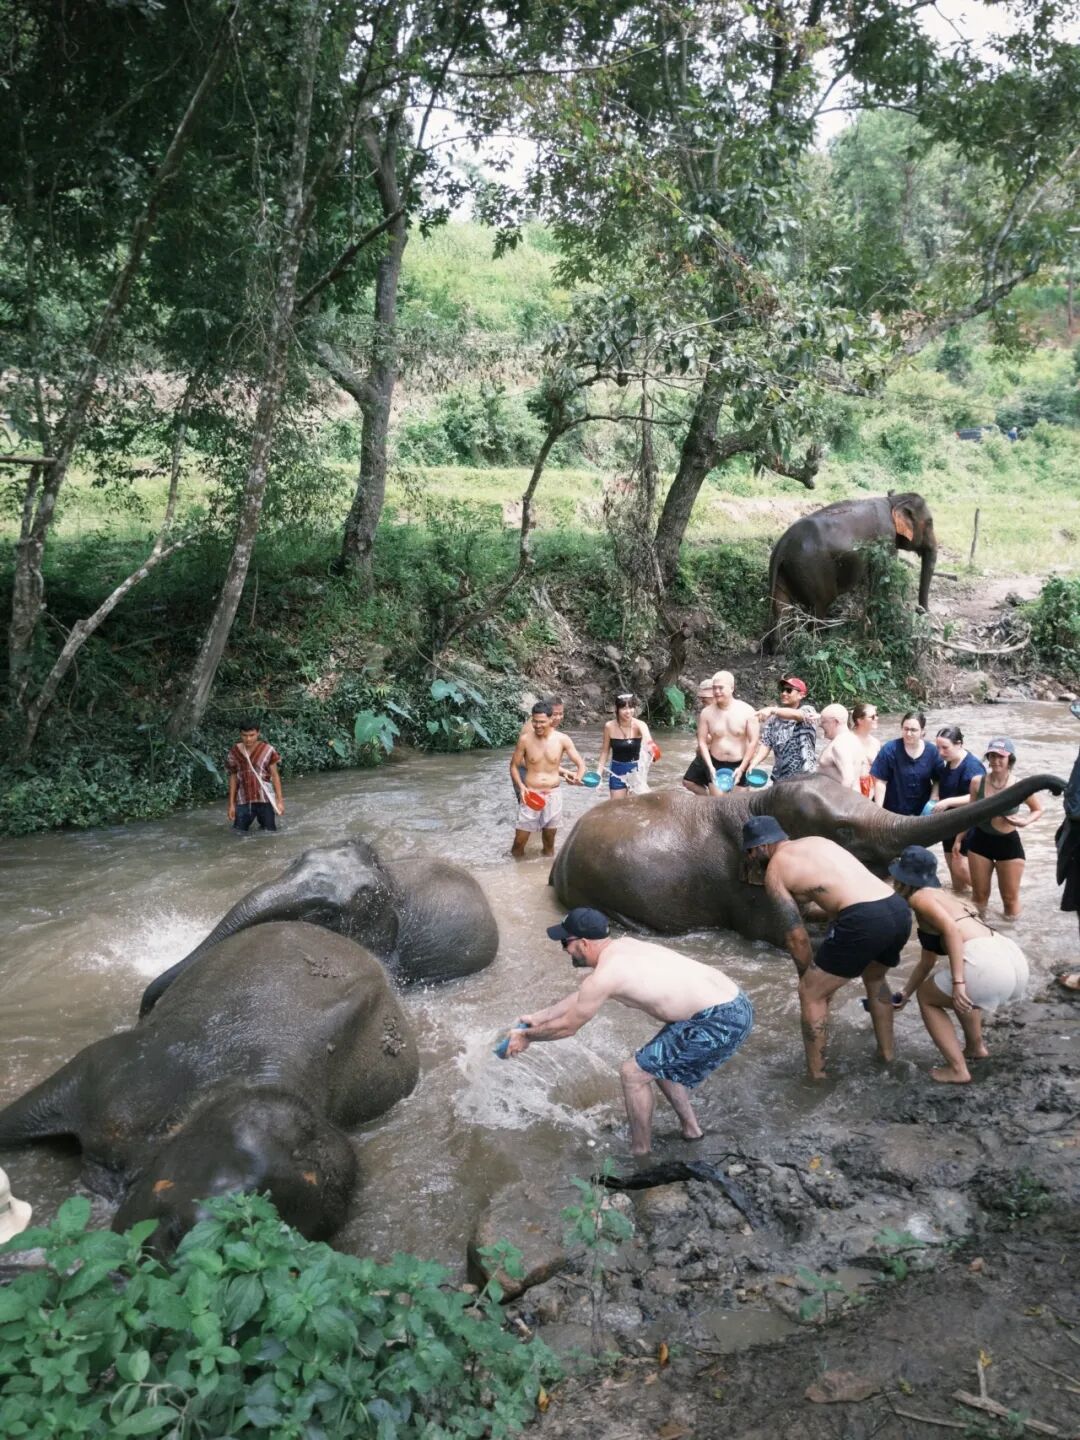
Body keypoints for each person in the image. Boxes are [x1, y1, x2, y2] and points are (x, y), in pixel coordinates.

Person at [504, 908, 753, 1155]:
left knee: (633, 1073)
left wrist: (527, 1037)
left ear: (584, 943)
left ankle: (640, 1151)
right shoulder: (624, 947)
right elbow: (585, 995)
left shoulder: (606, 975)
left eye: (564, 943)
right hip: (734, 1001)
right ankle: (692, 1130)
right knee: (654, 1061)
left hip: (719, 1018)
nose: (564, 950)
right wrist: (539, 1018)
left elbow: (569, 1027)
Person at [742, 816, 912, 1080]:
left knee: (811, 993)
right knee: (876, 978)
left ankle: (816, 1076)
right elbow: (840, 898)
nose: (752, 859)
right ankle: (887, 1055)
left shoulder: (775, 870)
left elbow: (796, 938)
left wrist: (808, 980)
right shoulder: (817, 842)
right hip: (896, 907)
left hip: (863, 917)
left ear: (759, 847)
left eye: (750, 853)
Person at [888, 846, 1029, 1084]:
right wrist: (905, 993)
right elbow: (927, 960)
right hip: (1009, 959)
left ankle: (957, 1069)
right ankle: (975, 1047)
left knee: (929, 997)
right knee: (947, 988)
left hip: (986, 964)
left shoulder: (919, 898)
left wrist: (958, 981)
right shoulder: (944, 897)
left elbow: (952, 930)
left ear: (902, 879)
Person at [967, 737, 1043, 919]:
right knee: (979, 897)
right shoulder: (978, 782)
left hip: (1008, 843)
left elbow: (1038, 809)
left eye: (1000, 756)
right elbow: (968, 814)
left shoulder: (1020, 785)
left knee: (1009, 899)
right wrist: (959, 840)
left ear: (1010, 759)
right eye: (991, 756)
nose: (995, 760)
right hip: (979, 840)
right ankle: (979, 932)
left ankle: (1013, 934)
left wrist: (1025, 821)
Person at [509, 702, 586, 858]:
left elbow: (580, 764)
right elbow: (513, 767)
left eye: (541, 722)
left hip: (554, 794)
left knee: (549, 842)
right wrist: (521, 786)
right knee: (519, 842)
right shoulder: (525, 739)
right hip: (531, 793)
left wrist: (578, 776)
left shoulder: (562, 739)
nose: (537, 725)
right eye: (535, 721)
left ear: (550, 720)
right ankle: (515, 870)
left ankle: (545, 870)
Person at [682, 671, 759, 795]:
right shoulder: (706, 713)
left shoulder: (748, 711)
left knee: (736, 807)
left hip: (740, 763)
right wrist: (710, 766)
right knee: (717, 805)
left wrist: (742, 768)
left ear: (732, 688)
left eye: (720, 688)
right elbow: (701, 741)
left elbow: (754, 742)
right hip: (715, 763)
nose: (716, 691)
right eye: (714, 688)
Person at [930, 726, 985, 894]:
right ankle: (963, 907)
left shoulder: (973, 767)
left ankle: (986, 903)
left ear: (959, 744)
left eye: (945, 748)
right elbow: (939, 781)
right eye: (938, 747)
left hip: (967, 825)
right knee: (955, 876)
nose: (940, 752)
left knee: (961, 868)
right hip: (948, 825)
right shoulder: (947, 764)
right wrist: (935, 795)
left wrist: (948, 802)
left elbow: (979, 797)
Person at [871, 711, 945, 815]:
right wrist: (878, 811)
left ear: (922, 731)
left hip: (922, 810)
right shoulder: (890, 749)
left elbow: (938, 779)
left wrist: (933, 799)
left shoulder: (932, 752)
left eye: (913, 730)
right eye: (905, 729)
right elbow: (880, 782)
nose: (908, 733)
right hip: (893, 810)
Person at [752, 677, 817, 783]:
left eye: (789, 690)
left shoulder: (808, 710)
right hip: (780, 778)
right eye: (782, 690)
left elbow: (799, 715)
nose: (784, 693)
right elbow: (766, 745)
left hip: (804, 778)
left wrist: (772, 709)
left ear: (801, 695)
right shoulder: (773, 719)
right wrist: (753, 764)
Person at [227, 720, 283, 832]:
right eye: (245, 735)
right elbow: (233, 778)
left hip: (264, 799)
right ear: (240, 734)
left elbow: (275, 776)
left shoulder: (268, 750)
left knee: (270, 833)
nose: (248, 739)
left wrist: (279, 800)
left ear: (258, 733)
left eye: (252, 735)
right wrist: (231, 805)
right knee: (238, 833)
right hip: (243, 800)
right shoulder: (234, 752)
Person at [598, 693, 653, 799]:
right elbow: (605, 752)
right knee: (617, 808)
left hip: (636, 772)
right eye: (624, 708)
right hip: (616, 771)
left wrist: (652, 748)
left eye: (631, 707)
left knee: (635, 809)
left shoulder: (640, 725)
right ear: (617, 709)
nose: (628, 712)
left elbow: (649, 742)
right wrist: (598, 773)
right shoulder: (609, 726)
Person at [817, 703, 864, 792]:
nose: (820, 725)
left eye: (823, 722)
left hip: (841, 802)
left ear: (835, 722)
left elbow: (848, 780)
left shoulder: (840, 745)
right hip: (854, 799)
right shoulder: (852, 739)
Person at [851, 701, 880, 799]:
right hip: (853, 790)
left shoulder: (876, 743)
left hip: (871, 791)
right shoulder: (847, 740)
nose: (876, 718)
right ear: (859, 720)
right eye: (872, 717)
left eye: (877, 715)